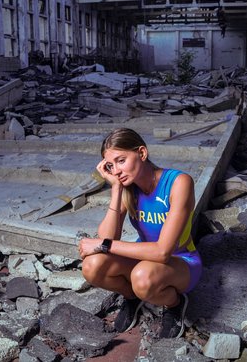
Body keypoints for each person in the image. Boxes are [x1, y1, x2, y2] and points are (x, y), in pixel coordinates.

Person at [78, 128, 202, 338]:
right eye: (110, 165)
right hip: (143, 260)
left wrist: (103, 245)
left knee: (142, 277)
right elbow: (109, 235)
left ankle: (175, 303)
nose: (116, 170)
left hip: (180, 261)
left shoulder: (178, 182)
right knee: (92, 266)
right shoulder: (129, 187)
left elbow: (163, 252)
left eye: (121, 160)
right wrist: (116, 189)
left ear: (142, 153)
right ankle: (132, 297)